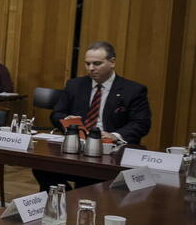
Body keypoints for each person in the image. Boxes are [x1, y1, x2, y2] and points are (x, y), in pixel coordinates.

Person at [33, 41, 151, 190]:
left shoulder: (133, 90)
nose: (91, 68)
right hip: (77, 147)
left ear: (112, 62)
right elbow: (57, 113)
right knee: (42, 167)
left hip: (111, 153)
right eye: (87, 64)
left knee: (89, 180)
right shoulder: (75, 85)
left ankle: (75, 200)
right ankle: (65, 199)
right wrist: (66, 121)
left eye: (97, 63)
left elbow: (141, 124)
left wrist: (114, 135)